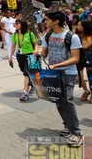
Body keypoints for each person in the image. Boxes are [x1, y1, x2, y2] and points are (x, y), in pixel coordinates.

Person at [34, 10, 84, 146]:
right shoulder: (48, 35)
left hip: (67, 73)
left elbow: (75, 59)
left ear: (56, 21)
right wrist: (38, 53)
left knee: (67, 101)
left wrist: (57, 65)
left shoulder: (71, 37)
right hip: (54, 73)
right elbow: (45, 54)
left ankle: (77, 133)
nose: (44, 22)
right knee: (58, 101)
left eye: (47, 19)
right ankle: (67, 126)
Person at [9, 19, 37, 101]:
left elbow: (36, 44)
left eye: (17, 23)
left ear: (22, 24)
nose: (15, 24)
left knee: (26, 74)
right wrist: (10, 57)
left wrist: (35, 50)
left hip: (29, 55)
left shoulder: (30, 34)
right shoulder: (15, 35)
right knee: (23, 71)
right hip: (19, 56)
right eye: (15, 23)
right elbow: (13, 46)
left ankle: (25, 93)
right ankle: (32, 85)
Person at [75, 20, 92, 104]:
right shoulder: (75, 35)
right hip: (78, 56)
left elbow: (85, 46)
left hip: (90, 56)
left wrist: (74, 46)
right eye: (78, 25)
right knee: (80, 77)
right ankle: (86, 91)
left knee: (91, 76)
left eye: (81, 26)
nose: (79, 27)